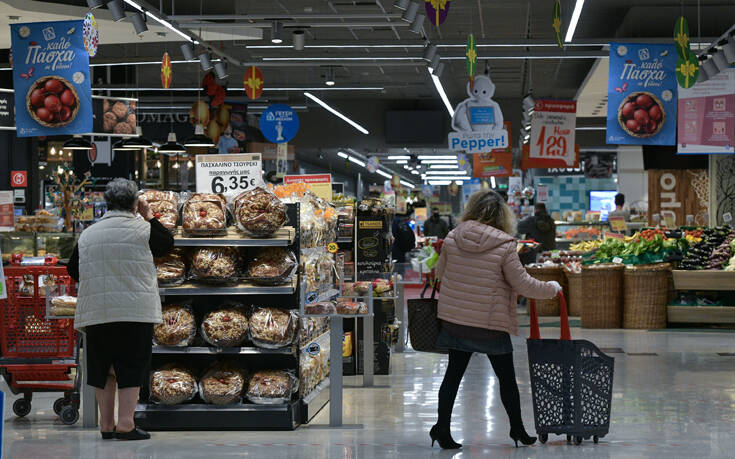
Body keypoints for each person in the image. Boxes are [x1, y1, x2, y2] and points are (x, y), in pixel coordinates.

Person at [431, 190, 562, 450]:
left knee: (452, 376)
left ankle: (441, 428)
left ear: (471, 209)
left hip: (456, 320)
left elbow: (439, 273)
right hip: (489, 324)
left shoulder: (452, 237)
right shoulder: (504, 244)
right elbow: (523, 284)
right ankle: (517, 429)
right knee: (506, 378)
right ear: (503, 215)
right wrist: (553, 288)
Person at [67, 178, 174, 441]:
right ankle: (126, 424)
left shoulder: (89, 233)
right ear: (134, 203)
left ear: (107, 203)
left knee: (103, 367)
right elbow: (167, 245)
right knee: (131, 366)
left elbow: (72, 269)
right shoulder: (142, 229)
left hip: (97, 312)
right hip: (134, 311)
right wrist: (149, 215)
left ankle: (106, 424)